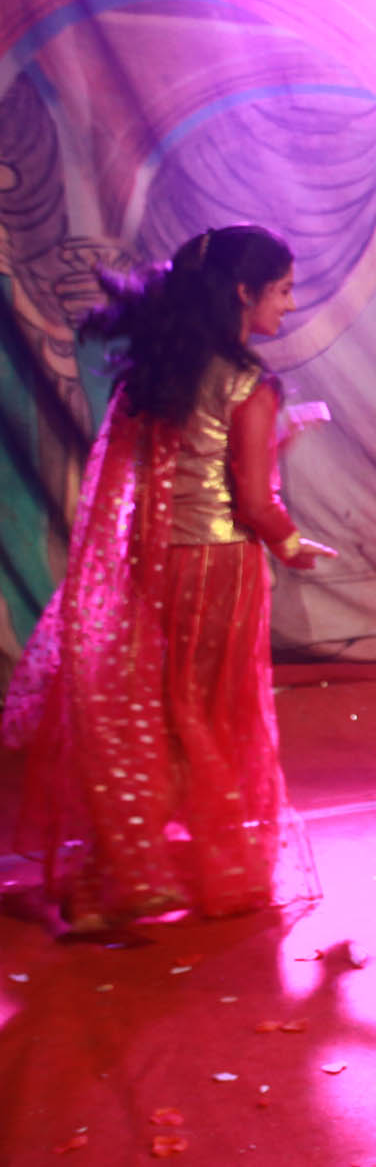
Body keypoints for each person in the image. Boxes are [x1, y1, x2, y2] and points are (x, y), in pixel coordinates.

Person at [2, 224, 328, 935]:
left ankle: (112, 872)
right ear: (242, 292)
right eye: (281, 290)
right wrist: (292, 544)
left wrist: (272, 446)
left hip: (159, 562)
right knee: (199, 719)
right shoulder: (249, 382)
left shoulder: (165, 370)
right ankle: (116, 878)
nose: (288, 303)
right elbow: (252, 501)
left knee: (166, 710)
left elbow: (189, 469)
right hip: (217, 567)